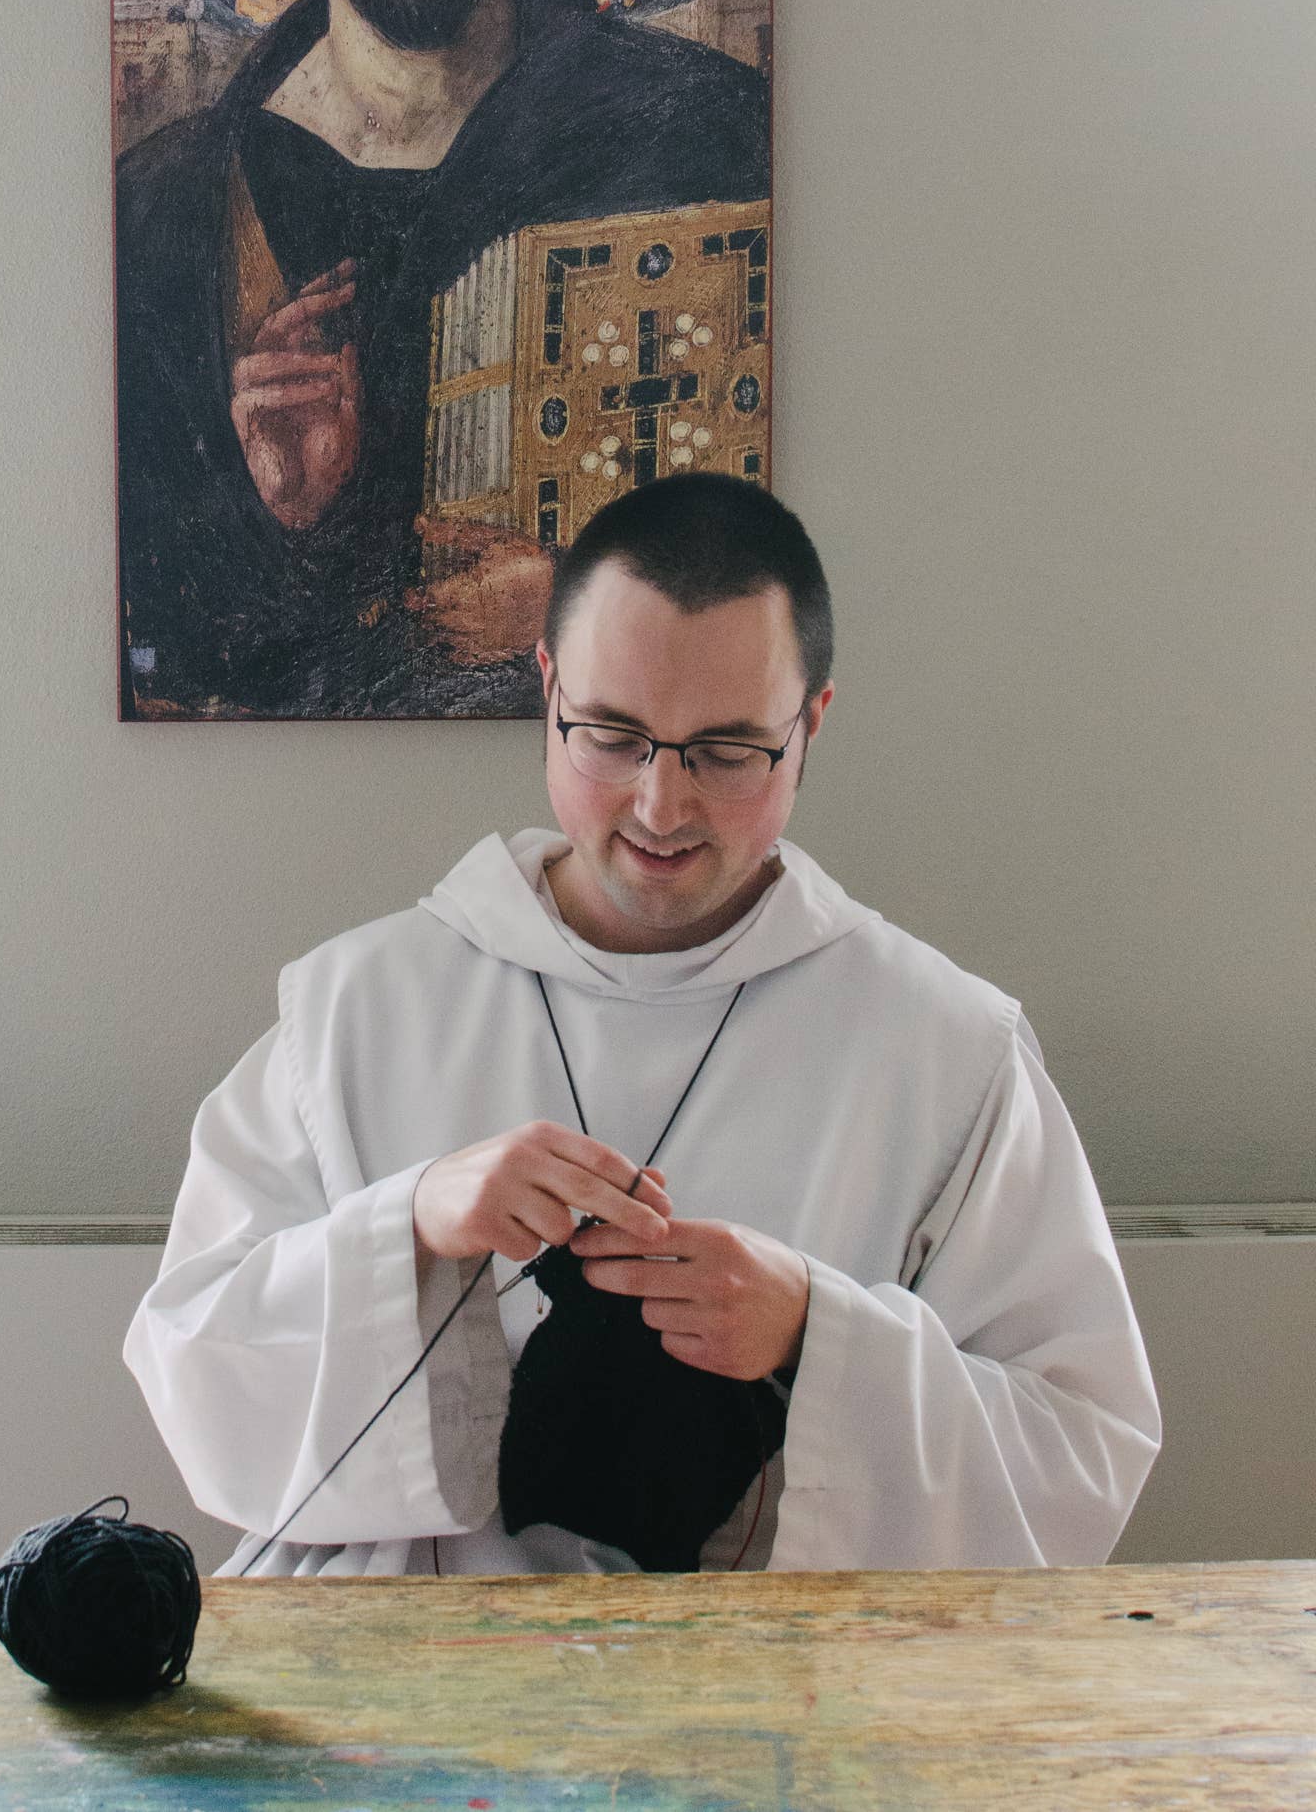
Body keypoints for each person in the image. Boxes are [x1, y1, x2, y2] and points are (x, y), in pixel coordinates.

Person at [126, 475, 1160, 1574]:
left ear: (810, 723)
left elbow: (1079, 1459)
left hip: (776, 1704)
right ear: (547, 686)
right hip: (411, 1700)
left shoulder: (946, 1049)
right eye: (612, 734)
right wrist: (411, 1223)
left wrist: (818, 1333)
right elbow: (193, 1375)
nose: (661, 806)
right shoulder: (355, 1009)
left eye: (725, 751)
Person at [117, 0, 767, 718]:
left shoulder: (706, 140)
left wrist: (579, 605)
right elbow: (167, 659)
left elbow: (770, 579)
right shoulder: (168, 210)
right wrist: (287, 521)